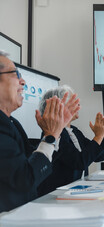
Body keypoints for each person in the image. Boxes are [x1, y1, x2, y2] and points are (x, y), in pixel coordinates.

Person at [0, 51, 79, 212]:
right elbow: (24, 180)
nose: (23, 81)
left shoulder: (12, 123)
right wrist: (51, 136)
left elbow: (32, 165)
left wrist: (54, 134)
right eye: (15, 74)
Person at [37, 85, 104, 196]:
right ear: (59, 106)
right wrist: (98, 136)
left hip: (73, 192)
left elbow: (98, 156)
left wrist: (103, 132)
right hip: (56, 196)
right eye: (72, 102)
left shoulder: (73, 131)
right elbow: (80, 162)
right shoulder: (54, 132)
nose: (78, 106)